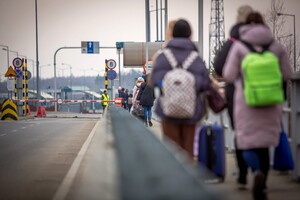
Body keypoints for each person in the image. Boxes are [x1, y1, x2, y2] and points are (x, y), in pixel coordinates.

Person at [223, 12, 292, 200]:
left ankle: (255, 173)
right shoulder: (276, 46)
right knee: (264, 144)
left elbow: (228, 75)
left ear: (245, 26)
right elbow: (287, 73)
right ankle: (263, 181)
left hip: (246, 102)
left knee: (246, 143)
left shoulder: (239, 47)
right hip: (271, 101)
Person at [150, 19, 210, 159]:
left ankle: (173, 179)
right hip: (191, 111)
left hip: (168, 110)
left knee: (171, 152)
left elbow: (154, 80)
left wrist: (169, 87)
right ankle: (188, 178)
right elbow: (205, 83)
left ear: (173, 34)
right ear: (190, 34)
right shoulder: (196, 58)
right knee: (187, 151)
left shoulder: (163, 56)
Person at [213, 5, 253, 188]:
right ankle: (262, 172)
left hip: (238, 94)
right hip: (268, 94)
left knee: (240, 133)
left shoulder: (234, 41)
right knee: (264, 132)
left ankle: (243, 174)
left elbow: (219, 66)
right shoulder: (267, 40)